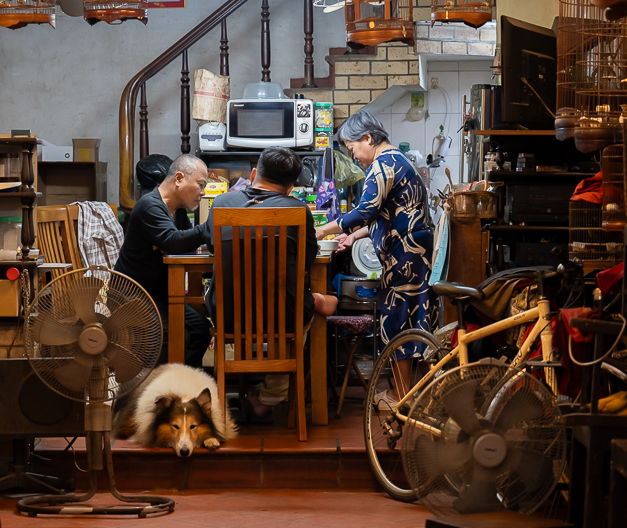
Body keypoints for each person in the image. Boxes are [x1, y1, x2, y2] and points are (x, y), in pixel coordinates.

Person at [205, 147, 337, 421]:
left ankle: (251, 393)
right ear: (291, 188)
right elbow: (308, 258)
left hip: (228, 316)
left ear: (254, 174)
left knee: (287, 305)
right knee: (300, 308)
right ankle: (272, 396)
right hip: (283, 318)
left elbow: (211, 246)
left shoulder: (221, 204)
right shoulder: (298, 210)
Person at [314, 111, 435, 395]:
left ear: (368, 138)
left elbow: (365, 211)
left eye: (352, 147)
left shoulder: (384, 164)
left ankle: (401, 396)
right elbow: (388, 214)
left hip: (406, 254)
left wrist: (322, 231)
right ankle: (407, 394)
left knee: (398, 321)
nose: (353, 155)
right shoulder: (397, 160)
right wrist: (354, 234)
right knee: (409, 320)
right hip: (410, 252)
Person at [114, 154, 212, 367]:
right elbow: (176, 242)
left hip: (159, 293)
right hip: (132, 294)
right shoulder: (149, 206)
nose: (203, 193)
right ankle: (163, 391)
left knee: (201, 329)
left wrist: (174, 242)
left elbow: (181, 243)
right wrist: (210, 226)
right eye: (201, 184)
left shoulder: (178, 211)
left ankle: (184, 385)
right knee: (168, 332)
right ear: (179, 179)